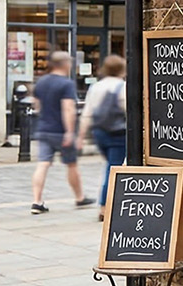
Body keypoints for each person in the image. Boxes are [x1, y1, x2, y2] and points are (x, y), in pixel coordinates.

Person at [30, 50, 90, 214]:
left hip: (43, 129)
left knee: (42, 164)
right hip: (60, 131)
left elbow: (36, 105)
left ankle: (36, 201)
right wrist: (70, 132)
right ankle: (79, 197)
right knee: (71, 164)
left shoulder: (41, 82)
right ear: (65, 65)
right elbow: (68, 109)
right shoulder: (66, 84)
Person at [81, 54, 128, 222]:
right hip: (117, 134)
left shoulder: (96, 87)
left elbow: (87, 113)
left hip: (99, 133)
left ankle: (112, 202)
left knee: (110, 167)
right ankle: (104, 206)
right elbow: (128, 110)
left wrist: (80, 136)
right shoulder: (122, 87)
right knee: (112, 169)